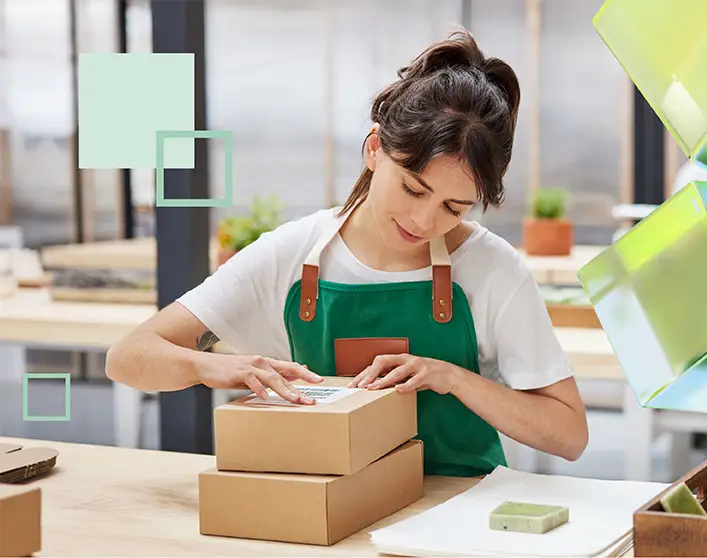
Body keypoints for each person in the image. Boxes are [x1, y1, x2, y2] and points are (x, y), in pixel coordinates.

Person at [106, 31, 589, 477]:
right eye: (413, 189)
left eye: (454, 207)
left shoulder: (492, 268)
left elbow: (569, 435)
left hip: (457, 510)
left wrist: (454, 378)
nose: (423, 222)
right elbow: (127, 357)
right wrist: (210, 365)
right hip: (325, 502)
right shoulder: (289, 253)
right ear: (376, 149)